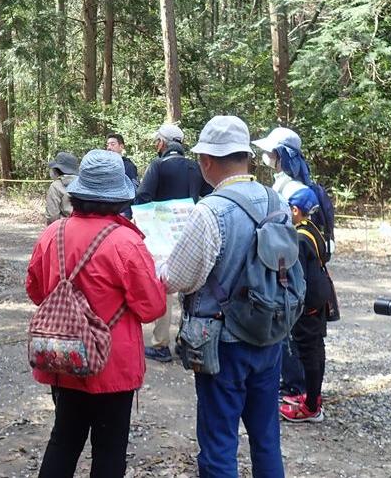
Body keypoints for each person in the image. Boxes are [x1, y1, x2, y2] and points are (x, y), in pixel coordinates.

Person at [26, 149, 167, 478]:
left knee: (63, 440)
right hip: (113, 363)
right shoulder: (125, 243)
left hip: (64, 355)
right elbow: (152, 308)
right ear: (119, 198)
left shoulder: (52, 234)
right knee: (109, 448)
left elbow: (35, 291)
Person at [163, 115, 285, 477]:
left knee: (219, 443)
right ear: (245, 157)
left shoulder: (211, 210)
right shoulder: (275, 200)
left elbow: (177, 278)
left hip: (222, 342)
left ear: (206, 161)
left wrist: (160, 266)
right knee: (266, 439)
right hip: (269, 333)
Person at [253, 126, 336, 401]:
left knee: (296, 335)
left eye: (270, 152)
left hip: (296, 275)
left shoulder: (293, 189)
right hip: (303, 273)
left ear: (280, 155)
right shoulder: (295, 183)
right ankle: (300, 387)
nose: (266, 155)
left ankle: (298, 387)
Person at [137, 123, 212, 363]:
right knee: (191, 287)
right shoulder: (195, 167)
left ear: (163, 143)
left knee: (164, 286)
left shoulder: (158, 166)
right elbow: (209, 193)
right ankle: (186, 341)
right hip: (190, 232)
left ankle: (161, 344)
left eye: (157, 140)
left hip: (162, 236)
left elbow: (142, 197)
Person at [278, 184, 330, 423]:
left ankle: (311, 407)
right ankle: (313, 396)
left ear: (296, 210)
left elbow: (298, 276)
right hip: (321, 296)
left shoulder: (298, 237)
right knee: (316, 347)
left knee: (308, 350)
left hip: (309, 300)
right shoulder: (313, 229)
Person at [106, 133, 139, 219]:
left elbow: (134, 191)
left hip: (122, 212)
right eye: (107, 145)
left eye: (112, 144)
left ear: (121, 147)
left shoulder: (128, 166)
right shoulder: (104, 166)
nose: (109, 147)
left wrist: (128, 213)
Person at [45, 151, 80, 224]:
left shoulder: (56, 186)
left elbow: (53, 216)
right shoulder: (84, 183)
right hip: (83, 227)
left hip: (63, 228)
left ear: (56, 170)